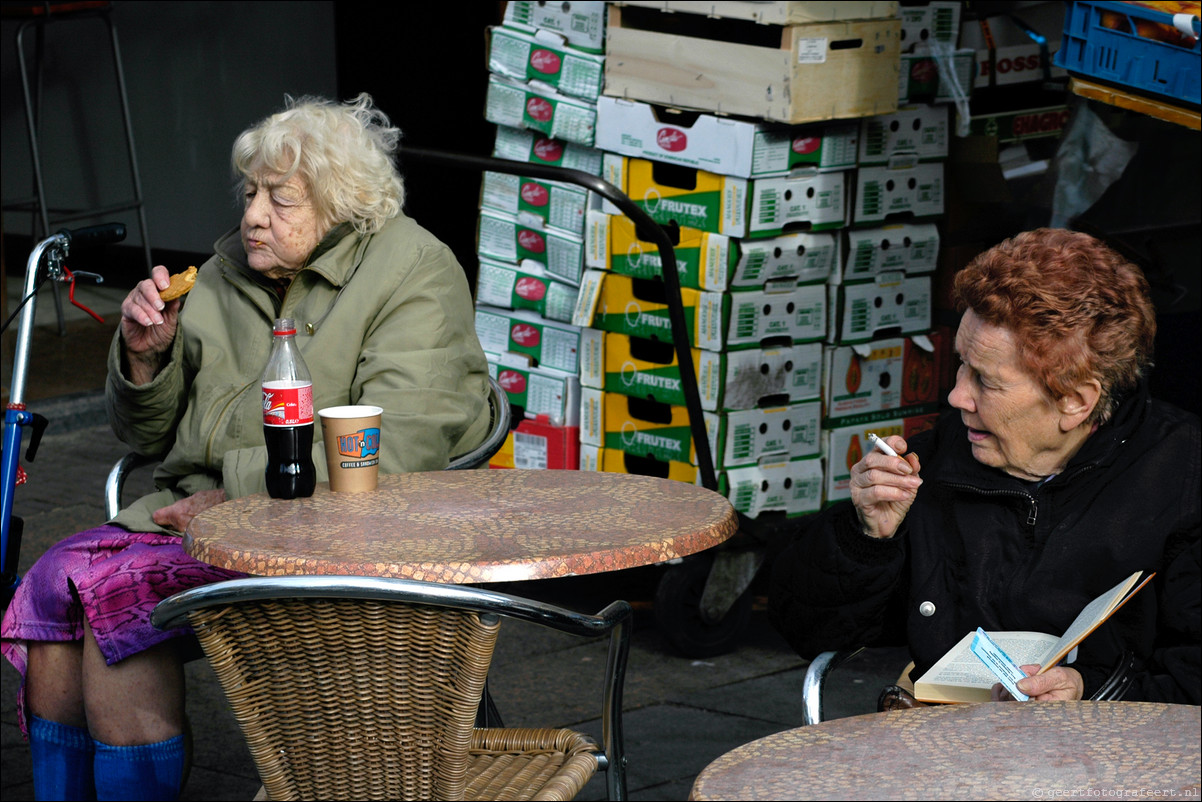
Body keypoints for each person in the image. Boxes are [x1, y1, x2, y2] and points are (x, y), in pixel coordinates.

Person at [1, 93, 491, 800]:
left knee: (112, 609)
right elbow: (143, 438)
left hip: (330, 534)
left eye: (280, 199)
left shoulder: (414, 271)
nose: (253, 215)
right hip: (189, 518)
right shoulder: (226, 271)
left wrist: (232, 494)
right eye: (252, 193)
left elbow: (396, 447)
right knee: (53, 590)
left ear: (341, 203)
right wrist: (145, 361)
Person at [770, 228, 1200, 706]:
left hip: (1108, 765)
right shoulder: (939, 459)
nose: (957, 396)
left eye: (986, 382)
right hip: (945, 748)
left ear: (1075, 402)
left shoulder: (1183, 476)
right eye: (961, 365)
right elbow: (810, 631)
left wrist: (1094, 697)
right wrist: (867, 539)